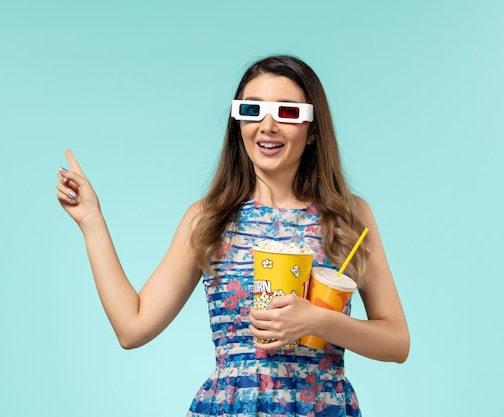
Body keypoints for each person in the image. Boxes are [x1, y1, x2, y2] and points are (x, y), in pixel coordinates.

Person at [56, 55, 409, 416]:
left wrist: (318, 321)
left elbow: (397, 342)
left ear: (313, 130)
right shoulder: (208, 220)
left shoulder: (349, 217)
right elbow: (132, 327)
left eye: (287, 113)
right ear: (238, 122)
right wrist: (91, 220)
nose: (267, 126)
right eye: (252, 110)